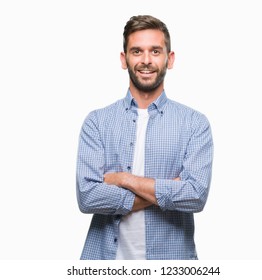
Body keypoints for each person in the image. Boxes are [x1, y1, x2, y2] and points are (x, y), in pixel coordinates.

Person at [76, 15, 213, 260]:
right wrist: (168, 189)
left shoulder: (194, 124)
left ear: (169, 59)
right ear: (123, 59)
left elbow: (195, 196)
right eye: (137, 51)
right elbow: (87, 197)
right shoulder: (97, 122)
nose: (146, 60)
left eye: (155, 51)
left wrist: (123, 179)